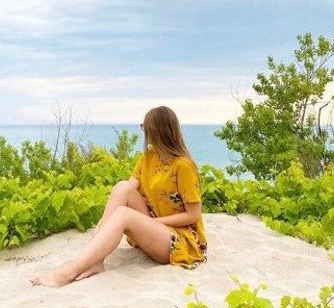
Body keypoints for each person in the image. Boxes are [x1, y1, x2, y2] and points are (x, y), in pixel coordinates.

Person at [31, 106, 207, 287]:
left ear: (158, 130)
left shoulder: (183, 166)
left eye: (145, 127)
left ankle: (68, 272)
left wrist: (152, 222)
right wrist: (106, 222)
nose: (144, 131)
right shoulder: (149, 157)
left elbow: (193, 215)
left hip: (180, 238)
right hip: (154, 227)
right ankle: (96, 261)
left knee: (123, 214)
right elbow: (128, 189)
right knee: (122, 187)